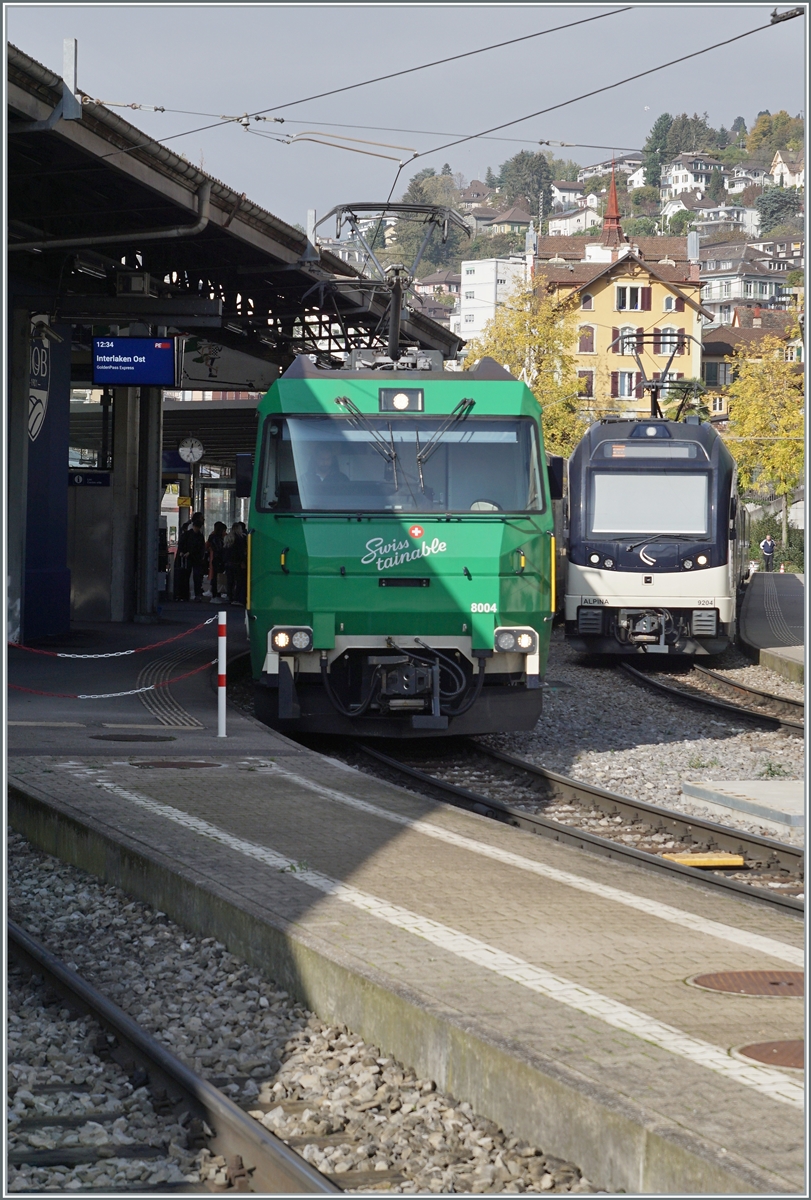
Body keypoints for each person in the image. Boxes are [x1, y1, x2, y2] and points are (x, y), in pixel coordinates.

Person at [178, 515, 207, 600]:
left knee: (187, 576)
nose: (197, 529)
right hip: (195, 558)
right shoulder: (200, 537)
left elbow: (181, 544)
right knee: (195, 576)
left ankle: (186, 594)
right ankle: (196, 594)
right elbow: (200, 547)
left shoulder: (187, 535)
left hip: (190, 558)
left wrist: (183, 552)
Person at [224, 521, 248, 606]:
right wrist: (243, 561)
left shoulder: (227, 538)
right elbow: (241, 552)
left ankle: (229, 596)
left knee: (230, 581)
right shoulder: (240, 538)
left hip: (228, 563)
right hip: (237, 563)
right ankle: (237, 598)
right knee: (239, 581)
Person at [206, 521, 228, 602]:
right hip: (219, 559)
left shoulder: (212, 537)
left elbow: (207, 546)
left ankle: (215, 594)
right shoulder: (220, 539)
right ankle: (217, 594)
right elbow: (220, 549)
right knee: (217, 577)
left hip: (215, 558)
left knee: (215, 577)